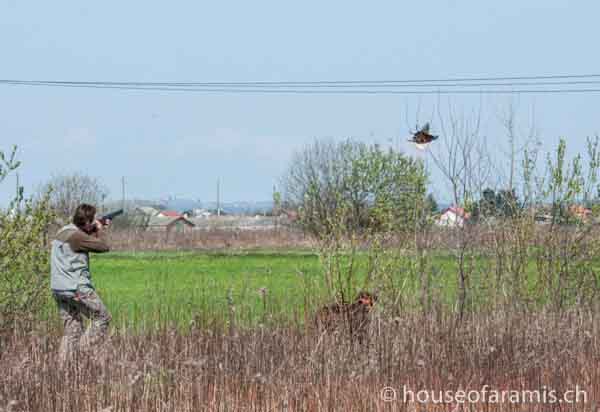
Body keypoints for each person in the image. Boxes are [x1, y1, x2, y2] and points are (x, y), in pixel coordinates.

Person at [50, 203, 112, 361]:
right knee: (102, 317)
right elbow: (104, 246)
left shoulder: (63, 231)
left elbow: (82, 241)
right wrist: (100, 230)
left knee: (72, 330)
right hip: (76, 289)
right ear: (86, 222)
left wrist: (93, 229)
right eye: (92, 221)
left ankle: (63, 370)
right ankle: (83, 351)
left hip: (58, 290)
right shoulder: (77, 237)